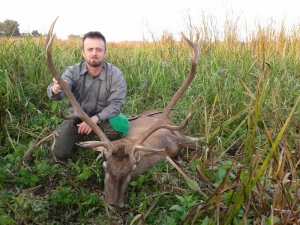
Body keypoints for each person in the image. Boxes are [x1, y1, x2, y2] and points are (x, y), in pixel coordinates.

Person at [47, 31, 127, 160]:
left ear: (105, 53)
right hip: (77, 119)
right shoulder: (73, 71)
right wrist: (57, 89)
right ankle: (76, 132)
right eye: (90, 49)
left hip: (101, 119)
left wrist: (93, 120)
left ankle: (91, 130)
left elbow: (116, 104)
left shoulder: (115, 75)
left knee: (117, 132)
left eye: (99, 50)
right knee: (59, 153)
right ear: (83, 52)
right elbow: (60, 90)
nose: (94, 53)